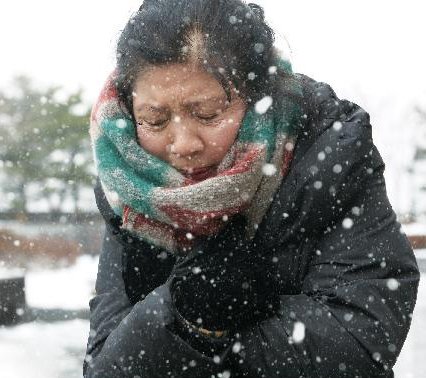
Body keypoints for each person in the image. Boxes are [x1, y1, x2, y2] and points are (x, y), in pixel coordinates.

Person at [83, 1, 420, 377]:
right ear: (130, 112)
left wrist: (199, 339)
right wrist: (186, 316)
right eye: (155, 120)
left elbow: (360, 344)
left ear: (259, 96)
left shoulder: (327, 153)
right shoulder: (129, 189)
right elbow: (104, 366)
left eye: (207, 113)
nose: (182, 143)